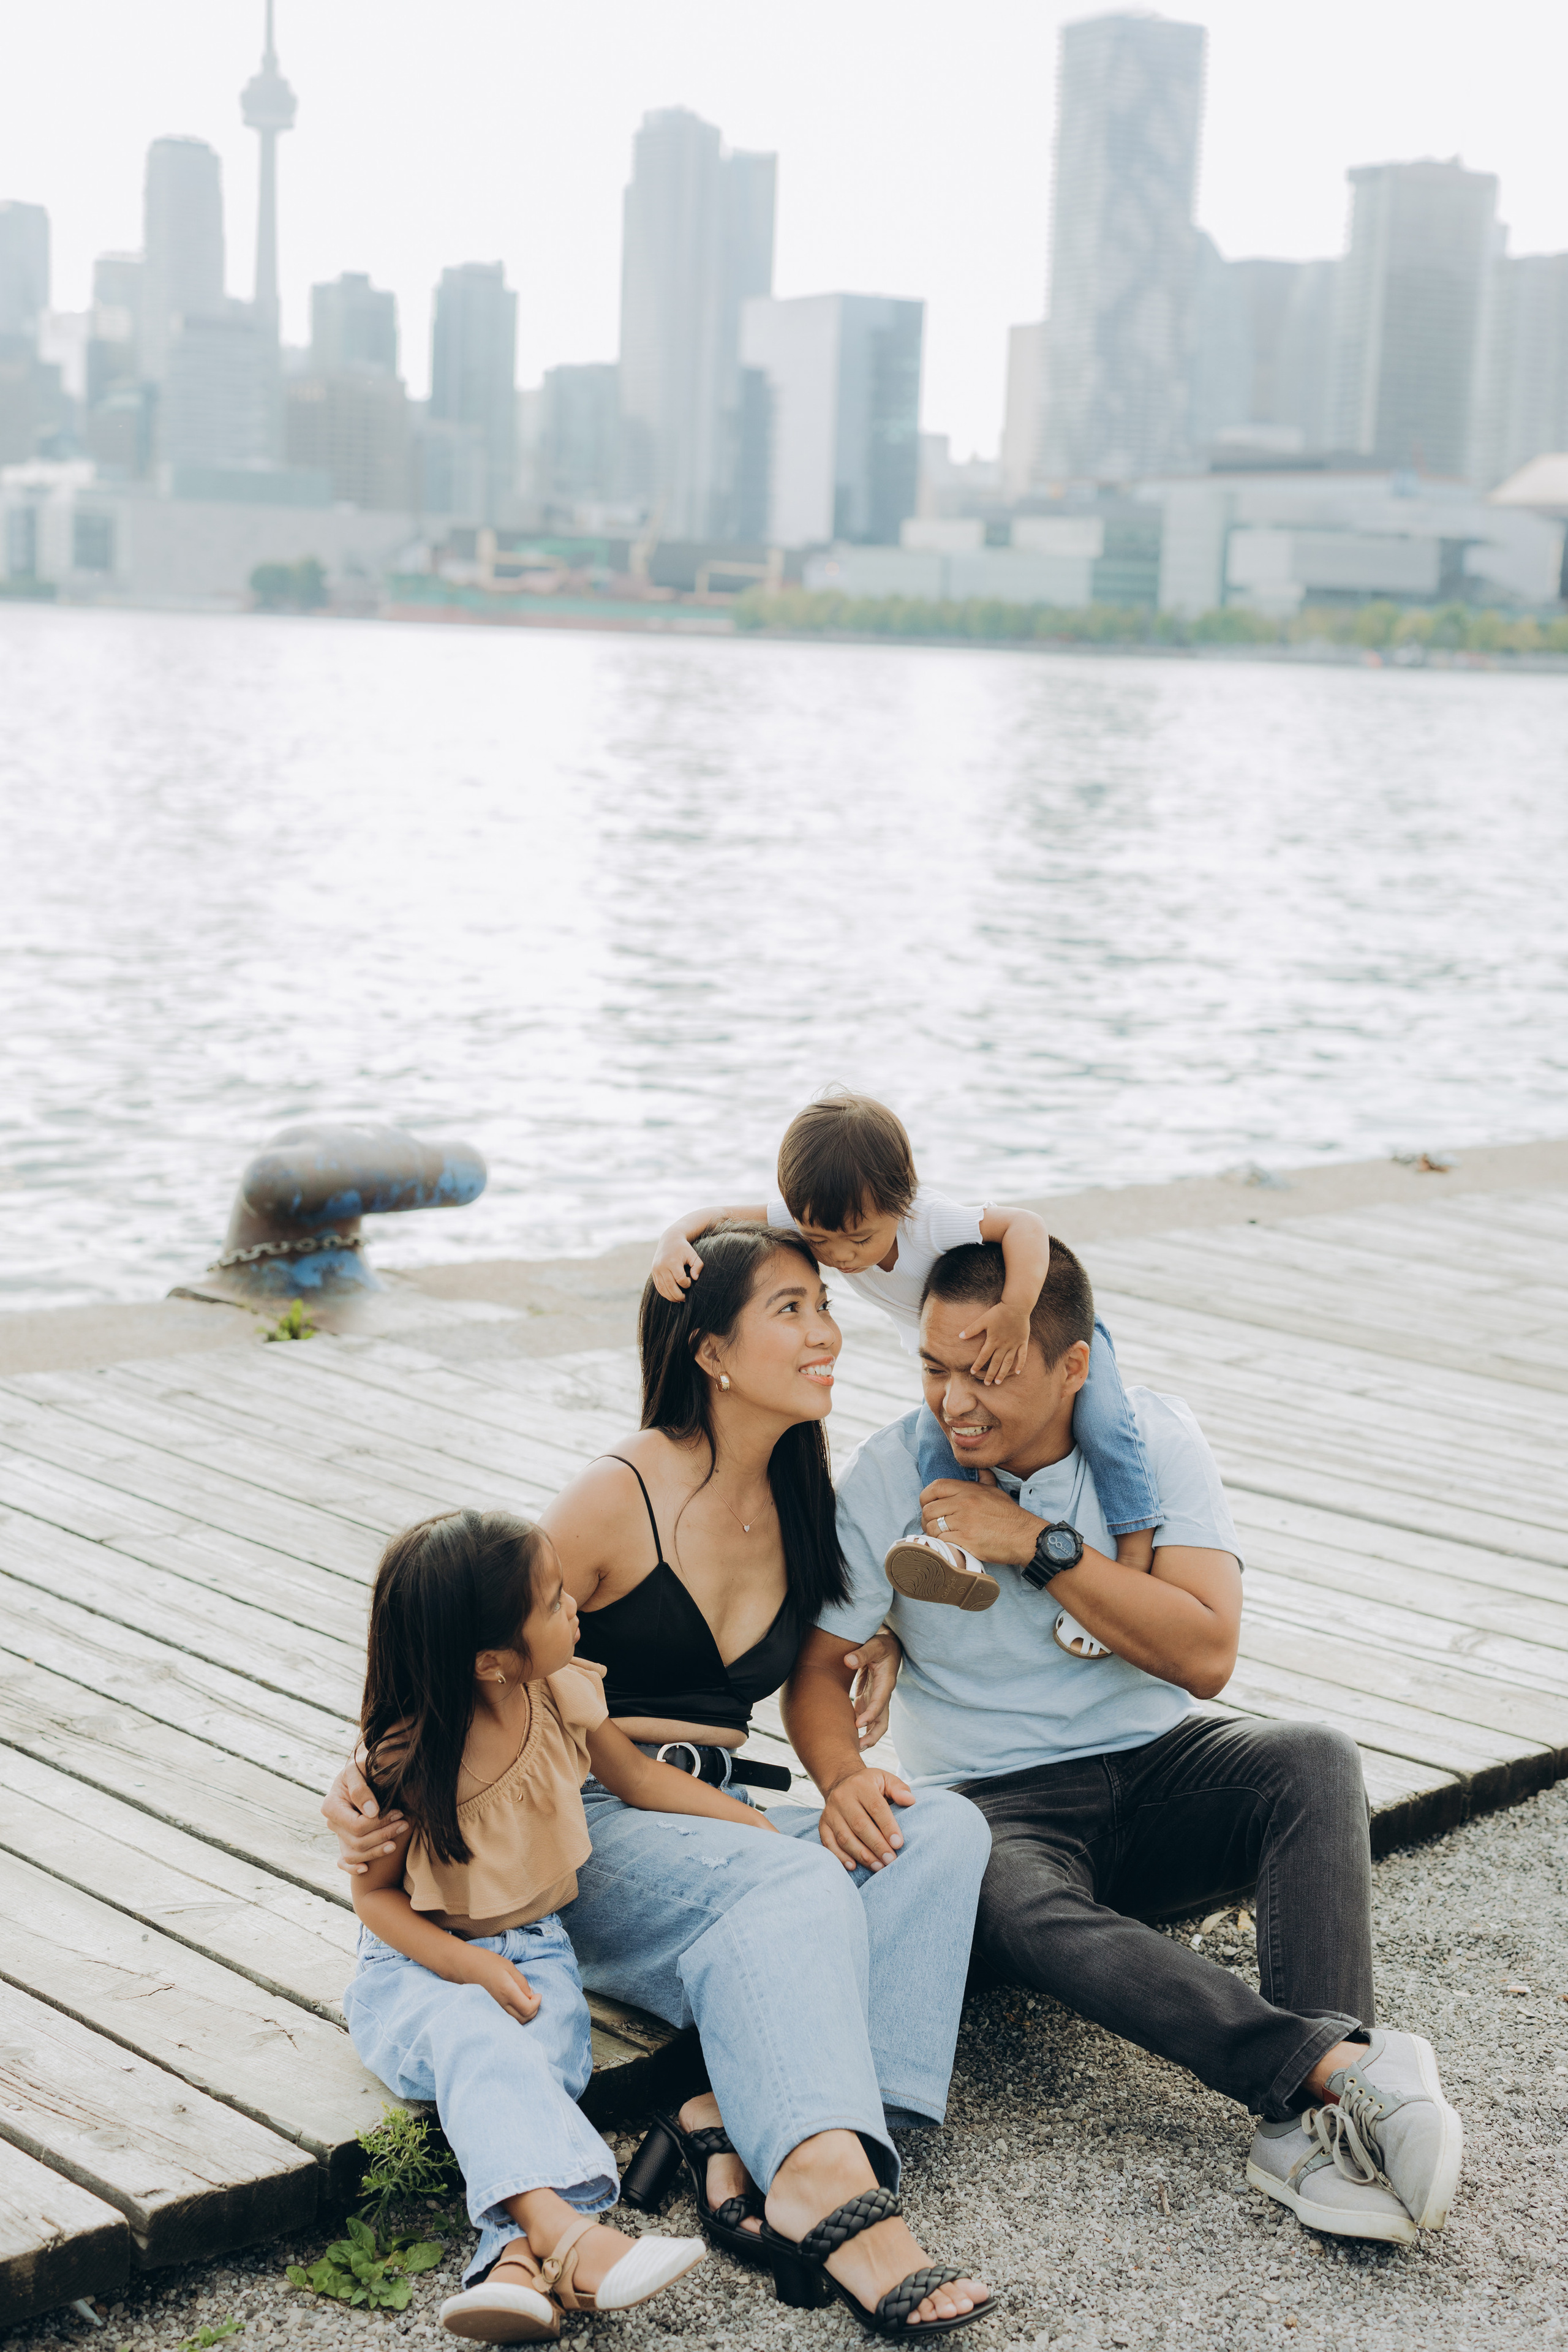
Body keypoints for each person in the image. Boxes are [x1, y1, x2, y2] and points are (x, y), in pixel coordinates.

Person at [326, 1223, 993, 2338]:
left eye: (824, 1305)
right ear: (711, 1351)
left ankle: (737, 2110)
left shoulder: (805, 1499)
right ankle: (824, 2182)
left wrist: (868, 1697)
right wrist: (366, 1783)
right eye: (791, 1309)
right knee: (796, 1888)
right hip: (587, 1822)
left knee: (944, 1831)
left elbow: (822, 1669)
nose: (828, 1332)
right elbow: (471, 1647)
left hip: (710, 1818)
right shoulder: (614, 1498)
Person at [783, 1236, 1464, 2249]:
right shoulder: (891, 1474)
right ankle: (1334, 2077)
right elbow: (813, 1677)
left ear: (1072, 1367)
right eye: (933, 1367)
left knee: (1314, 1757)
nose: (954, 1402)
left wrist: (1037, 1546)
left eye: (987, 1371)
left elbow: (1206, 1652)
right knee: (998, 1883)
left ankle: (1310, 2121)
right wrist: (840, 1776)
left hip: (1156, 1774)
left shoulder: (1151, 1442)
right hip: (996, 1806)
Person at [344, 1506, 722, 2340]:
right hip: (416, 1969)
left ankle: (513, 2267)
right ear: (489, 1662)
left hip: (539, 1949)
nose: (574, 1609)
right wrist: (468, 1966)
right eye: (553, 1605)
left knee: (545, 2067)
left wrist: (756, 1831)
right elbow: (374, 1900)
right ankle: (575, 2241)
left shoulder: (561, 1690)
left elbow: (638, 1780)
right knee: (479, 2040)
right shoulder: (406, 1761)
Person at [651, 1091, 1163, 1640]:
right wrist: (671, 1240)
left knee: (1106, 1424)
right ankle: (952, 1549)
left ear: (902, 1201)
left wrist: (1016, 1308)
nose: (843, 1257)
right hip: (954, 1358)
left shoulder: (929, 1222)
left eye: (860, 1239)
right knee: (934, 1443)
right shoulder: (824, 1215)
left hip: (1042, 1330)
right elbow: (720, 1216)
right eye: (820, 1241)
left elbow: (1027, 1227)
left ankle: (1133, 1558)